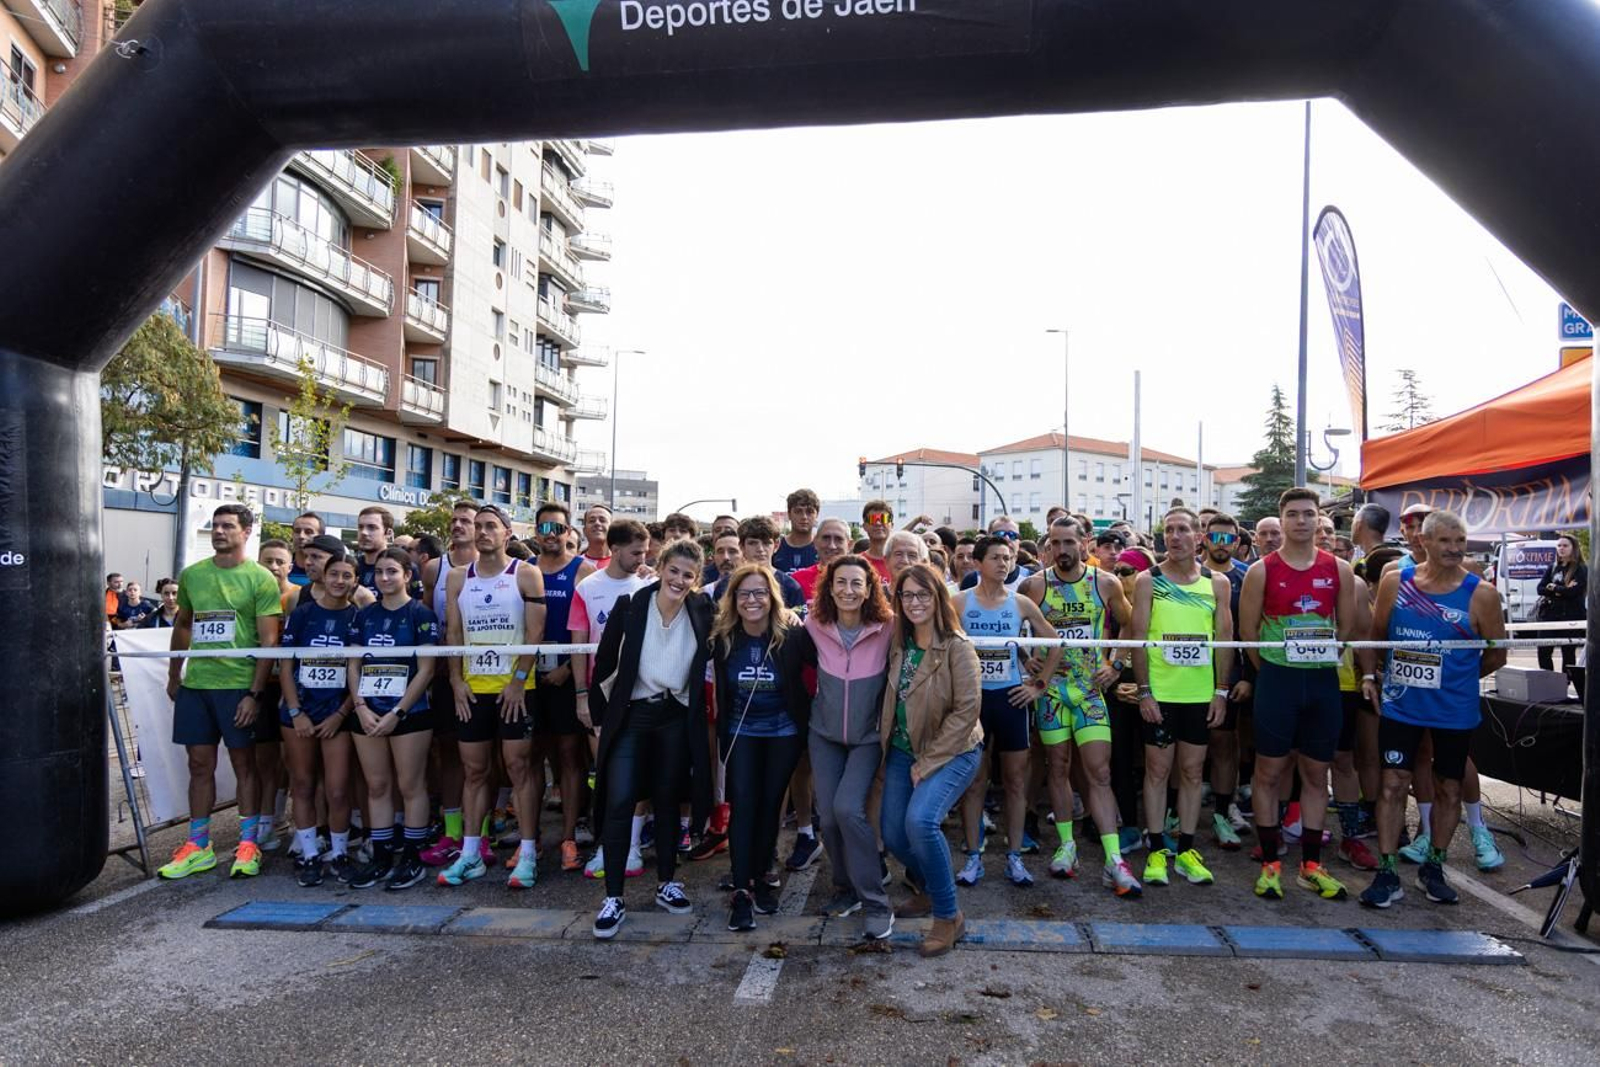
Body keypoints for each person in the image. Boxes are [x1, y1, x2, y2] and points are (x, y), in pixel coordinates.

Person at [1360, 510, 1507, 908]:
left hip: (1453, 710)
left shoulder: (1481, 594)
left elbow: (1498, 654)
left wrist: (1458, 677)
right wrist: (1370, 678)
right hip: (1401, 706)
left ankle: (1435, 866)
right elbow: (1376, 638)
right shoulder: (1395, 582)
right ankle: (1387, 871)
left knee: (1449, 786)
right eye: (1445, 541)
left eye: (1460, 541)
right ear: (1423, 542)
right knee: (1393, 783)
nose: (1455, 549)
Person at [587, 540, 716, 939]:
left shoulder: (702, 610)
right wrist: (598, 717)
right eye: (673, 571)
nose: (679, 580)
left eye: (688, 575)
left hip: (675, 716)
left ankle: (666, 883)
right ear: (661, 567)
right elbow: (605, 662)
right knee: (620, 798)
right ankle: (613, 897)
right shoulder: (631, 606)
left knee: (666, 799)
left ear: (696, 581)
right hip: (632, 715)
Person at [1238, 488, 1362, 903]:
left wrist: (1319, 657)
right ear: (1282, 519)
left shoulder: (1338, 569)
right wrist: (1273, 670)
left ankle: (1311, 865)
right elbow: (1248, 634)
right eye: (1293, 514)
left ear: (1318, 520)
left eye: (1309, 514)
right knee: (1268, 774)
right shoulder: (1262, 570)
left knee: (1315, 774)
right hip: (1278, 681)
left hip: (1323, 682)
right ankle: (1271, 863)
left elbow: (1346, 627)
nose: (1301, 521)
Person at [158, 504, 282, 881]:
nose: (219, 532)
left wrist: (254, 693)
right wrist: (174, 673)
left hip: (237, 686)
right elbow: (183, 624)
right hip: (198, 685)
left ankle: (248, 843)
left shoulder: (260, 578)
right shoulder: (193, 575)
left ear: (246, 532)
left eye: (228, 526)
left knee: (245, 765)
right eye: (215, 526)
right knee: (199, 765)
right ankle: (198, 845)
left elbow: (269, 641)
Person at [1018, 518, 1141, 895]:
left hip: (1089, 691)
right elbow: (1006, 628)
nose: (1062, 550)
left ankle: (1114, 859)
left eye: (1069, 541)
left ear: (1084, 543)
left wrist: (1115, 664)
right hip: (1052, 692)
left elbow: (1133, 626)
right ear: (1046, 546)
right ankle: (1067, 846)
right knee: (1057, 766)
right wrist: (1026, 661)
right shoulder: (1033, 585)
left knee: (1098, 771)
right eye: (1055, 543)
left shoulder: (1105, 582)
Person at [879, 563, 985, 956]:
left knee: (920, 822)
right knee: (892, 834)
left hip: (954, 751)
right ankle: (927, 886)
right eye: (906, 595)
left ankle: (947, 915)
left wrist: (929, 762)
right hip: (903, 749)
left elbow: (967, 712)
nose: (914, 602)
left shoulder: (957, 647)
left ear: (938, 598)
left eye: (923, 594)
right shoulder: (898, 642)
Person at [441, 504, 547, 890]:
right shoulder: (457, 578)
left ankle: (530, 852)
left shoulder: (525, 574)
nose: (483, 531)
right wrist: (456, 680)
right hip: (474, 688)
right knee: (474, 771)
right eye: (477, 525)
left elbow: (534, 635)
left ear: (507, 533)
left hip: (516, 690)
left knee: (519, 769)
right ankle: (471, 853)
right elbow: (453, 634)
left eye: (491, 526)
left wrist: (519, 681)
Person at [1129, 507, 1232, 891]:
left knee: (1192, 773)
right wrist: (1144, 692)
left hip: (1198, 694)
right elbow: (1138, 639)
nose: (1175, 537)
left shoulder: (1217, 583)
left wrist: (1221, 691)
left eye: (1183, 530)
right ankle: (1156, 849)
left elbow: (1225, 641)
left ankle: (1187, 849)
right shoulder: (1147, 580)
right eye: (1168, 530)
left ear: (1198, 536)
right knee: (1157, 772)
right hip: (1161, 693)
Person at [954, 535, 1062, 888]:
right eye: (996, 557)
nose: (1003, 563)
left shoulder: (1020, 604)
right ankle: (973, 856)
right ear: (979, 563)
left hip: (1012, 699)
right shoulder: (958, 603)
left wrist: (1039, 684)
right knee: (975, 782)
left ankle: (1014, 856)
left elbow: (1055, 643)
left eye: (1009, 557)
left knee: (1016, 781)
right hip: (974, 703)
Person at [712, 564, 813, 931]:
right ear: (733, 600)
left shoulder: (792, 634)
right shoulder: (723, 637)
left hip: (784, 731)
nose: (752, 600)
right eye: (744, 594)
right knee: (743, 804)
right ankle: (741, 889)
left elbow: (823, 662)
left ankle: (762, 875)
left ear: (772, 598)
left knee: (771, 806)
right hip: (741, 730)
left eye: (759, 593)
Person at [805, 554, 896, 938]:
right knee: (826, 816)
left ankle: (875, 900)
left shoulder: (888, 626)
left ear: (870, 588)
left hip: (867, 738)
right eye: (840, 582)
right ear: (829, 586)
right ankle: (845, 889)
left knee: (848, 809)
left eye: (857, 583)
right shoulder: (813, 624)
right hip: (823, 734)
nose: (848, 590)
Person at [345, 547, 439, 891]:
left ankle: (412, 857)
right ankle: (382, 855)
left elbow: (427, 670)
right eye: (380, 572)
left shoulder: (421, 614)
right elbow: (354, 664)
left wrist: (398, 711)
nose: (385, 578)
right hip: (367, 711)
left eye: (392, 572)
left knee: (410, 785)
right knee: (377, 785)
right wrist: (361, 707)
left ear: (408, 576)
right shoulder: (363, 616)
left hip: (409, 713)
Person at [571, 520, 654, 881]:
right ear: (615, 549)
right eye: (636, 552)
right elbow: (579, 645)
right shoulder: (588, 587)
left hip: (641, 694)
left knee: (637, 775)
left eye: (645, 552)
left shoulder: (650, 585)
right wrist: (581, 696)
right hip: (601, 696)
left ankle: (631, 848)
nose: (642, 558)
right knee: (608, 775)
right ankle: (610, 845)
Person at [279, 553, 360, 887]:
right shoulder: (301, 615)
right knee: (302, 785)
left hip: (337, 714)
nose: (339, 581)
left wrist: (341, 714)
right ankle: (309, 853)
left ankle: (339, 852)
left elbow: (359, 672)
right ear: (323, 577)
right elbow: (285, 666)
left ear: (355, 581)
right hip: (298, 713)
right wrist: (296, 712)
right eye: (334, 574)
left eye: (347, 576)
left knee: (339, 790)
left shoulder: (359, 617)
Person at [531, 501, 596, 872]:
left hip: (566, 675)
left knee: (571, 756)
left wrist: (570, 674)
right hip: (528, 679)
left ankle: (570, 835)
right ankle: (532, 836)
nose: (551, 535)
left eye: (558, 528)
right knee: (532, 758)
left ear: (569, 532)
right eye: (544, 528)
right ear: (536, 532)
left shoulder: (582, 570)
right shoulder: (524, 570)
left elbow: (586, 628)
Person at [418, 498, 478, 866]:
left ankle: (481, 829)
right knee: (449, 753)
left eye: (466, 521)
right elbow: (427, 617)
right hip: (444, 672)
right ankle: (452, 830)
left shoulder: (504, 570)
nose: (458, 526)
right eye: (454, 520)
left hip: (486, 675)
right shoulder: (434, 569)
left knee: (482, 758)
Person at [1200, 512, 1253, 849]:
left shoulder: (1248, 576)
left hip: (1230, 673)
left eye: (1228, 538)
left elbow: (1252, 631)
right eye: (1214, 537)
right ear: (1204, 539)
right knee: (1184, 749)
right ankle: (1175, 814)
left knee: (1225, 744)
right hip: (1186, 674)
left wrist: (1247, 676)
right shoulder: (1187, 573)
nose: (1221, 544)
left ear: (1237, 542)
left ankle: (1224, 809)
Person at [713, 517, 805, 608]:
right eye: (753, 543)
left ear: (776, 545)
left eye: (766, 543)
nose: (760, 549)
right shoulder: (725, 586)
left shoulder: (790, 587)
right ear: (742, 547)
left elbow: (798, 620)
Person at [1536, 532, 1587, 693]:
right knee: (1543, 650)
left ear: (1573, 548)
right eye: (1559, 545)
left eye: (1565, 545)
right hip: (1549, 616)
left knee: (1568, 652)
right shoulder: (1552, 567)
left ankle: (1564, 685)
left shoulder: (1581, 568)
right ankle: (1548, 682)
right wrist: (1561, 589)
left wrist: (1554, 588)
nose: (1561, 548)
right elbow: (1540, 589)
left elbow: (1574, 592)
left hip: (1571, 616)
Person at [957, 516, 1032, 591]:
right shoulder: (972, 580)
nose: (1007, 539)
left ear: (1019, 542)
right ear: (989, 539)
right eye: (1000, 534)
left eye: (1012, 535)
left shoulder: (1031, 579)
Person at [791, 517, 851, 606]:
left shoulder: (860, 579)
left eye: (839, 539)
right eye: (826, 538)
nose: (832, 546)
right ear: (815, 542)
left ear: (849, 545)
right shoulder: (797, 580)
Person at [773, 488, 821, 574]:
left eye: (809, 512)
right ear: (789, 514)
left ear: (816, 515)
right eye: (798, 511)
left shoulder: (823, 548)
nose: (804, 517)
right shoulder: (775, 547)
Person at [353, 506, 395, 596]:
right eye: (360, 527)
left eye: (372, 528)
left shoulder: (402, 567)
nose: (364, 532)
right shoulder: (351, 566)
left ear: (388, 533)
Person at [859, 501, 895, 582]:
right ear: (864, 526)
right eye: (873, 519)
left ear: (891, 525)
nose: (878, 523)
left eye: (883, 519)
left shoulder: (900, 561)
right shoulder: (857, 562)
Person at [287, 512, 325, 587]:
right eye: (297, 531)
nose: (301, 536)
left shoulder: (329, 573)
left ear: (321, 537)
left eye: (308, 532)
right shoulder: (282, 568)